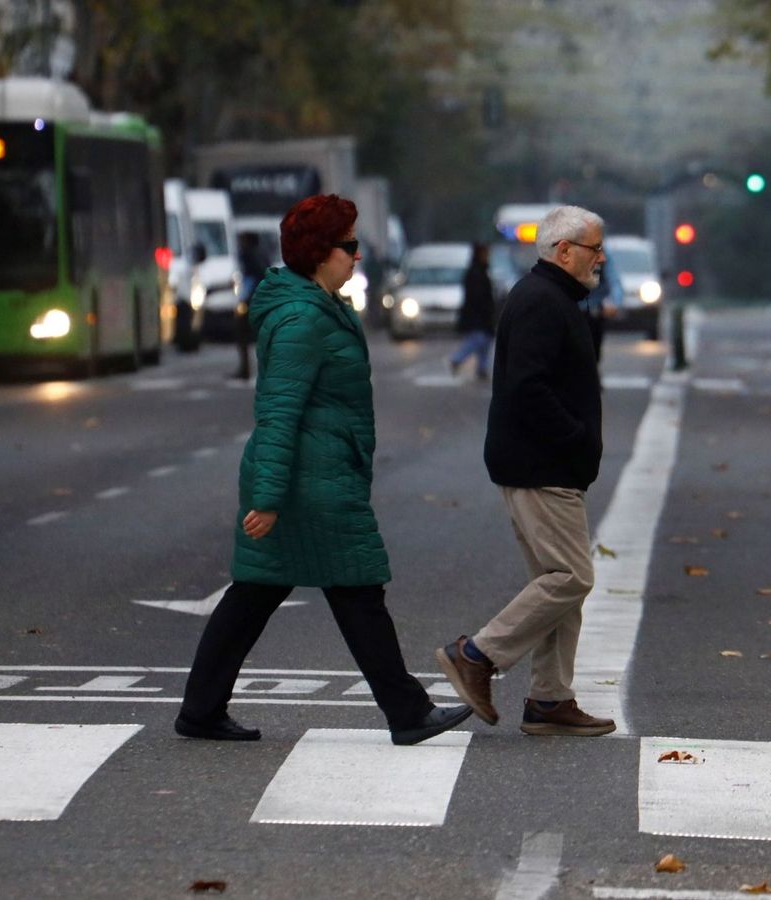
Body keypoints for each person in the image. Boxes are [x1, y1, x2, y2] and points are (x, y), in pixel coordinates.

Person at [176, 194, 471, 746]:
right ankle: (407, 711)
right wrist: (266, 496)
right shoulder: (303, 320)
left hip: (317, 472)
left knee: (255, 594)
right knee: (357, 587)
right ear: (319, 253)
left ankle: (200, 710)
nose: (357, 256)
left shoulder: (321, 307)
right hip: (310, 482)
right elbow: (278, 411)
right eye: (349, 246)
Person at [435, 205, 615, 737]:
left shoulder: (552, 297)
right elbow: (527, 387)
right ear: (563, 250)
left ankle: (549, 700)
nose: (601, 257)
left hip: (546, 462)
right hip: (541, 464)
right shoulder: (542, 300)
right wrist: (575, 437)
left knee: (556, 581)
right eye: (593, 247)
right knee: (571, 577)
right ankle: (476, 653)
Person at [449, 242, 496, 380]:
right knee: (479, 339)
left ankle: (481, 367)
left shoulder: (480, 271)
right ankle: (458, 359)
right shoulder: (476, 273)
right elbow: (477, 296)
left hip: (480, 314)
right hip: (478, 314)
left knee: (485, 341)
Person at [232, 231, 270, 381]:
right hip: (261, 300)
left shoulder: (249, 256)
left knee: (242, 333)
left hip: (251, 300)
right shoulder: (262, 255)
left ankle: (245, 369)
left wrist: (244, 299)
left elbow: (250, 278)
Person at [582, 247, 620, 361]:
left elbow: (613, 280)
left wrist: (614, 302)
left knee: (593, 350)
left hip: (594, 309)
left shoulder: (602, 254)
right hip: (573, 307)